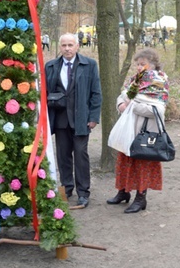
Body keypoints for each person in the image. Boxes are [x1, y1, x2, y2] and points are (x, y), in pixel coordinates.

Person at [107, 48, 169, 213]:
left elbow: (157, 111)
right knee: (124, 160)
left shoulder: (159, 82)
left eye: (143, 64)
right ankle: (123, 192)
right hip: (129, 129)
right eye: (138, 64)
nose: (139, 67)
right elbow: (123, 95)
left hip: (146, 132)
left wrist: (131, 106)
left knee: (142, 164)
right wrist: (121, 105)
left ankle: (140, 199)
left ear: (153, 65)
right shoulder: (136, 80)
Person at [45, 33, 102, 207]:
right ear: (59, 47)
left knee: (81, 156)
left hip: (81, 119)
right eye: (64, 45)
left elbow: (96, 93)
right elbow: (46, 93)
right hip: (60, 120)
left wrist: (93, 117)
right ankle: (67, 188)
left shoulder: (89, 65)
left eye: (70, 45)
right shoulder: (51, 66)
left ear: (77, 46)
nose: (67, 48)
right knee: (63, 156)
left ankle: (83, 192)